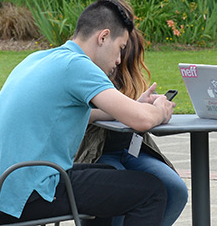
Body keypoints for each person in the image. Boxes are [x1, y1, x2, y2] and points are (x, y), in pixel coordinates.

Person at [0, 0, 173, 225]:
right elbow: (142, 121)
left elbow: (75, 114)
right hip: (28, 195)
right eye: (120, 48)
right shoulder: (78, 66)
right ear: (103, 37)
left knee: (109, 173)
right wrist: (159, 110)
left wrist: (132, 106)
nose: (120, 60)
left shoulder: (41, 58)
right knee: (151, 191)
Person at [77, 20, 188, 226]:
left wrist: (139, 106)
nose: (119, 60)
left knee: (175, 189)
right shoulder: (86, 68)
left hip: (133, 149)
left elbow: (130, 113)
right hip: (95, 152)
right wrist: (147, 112)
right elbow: (91, 113)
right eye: (120, 50)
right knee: (120, 191)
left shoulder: (128, 70)